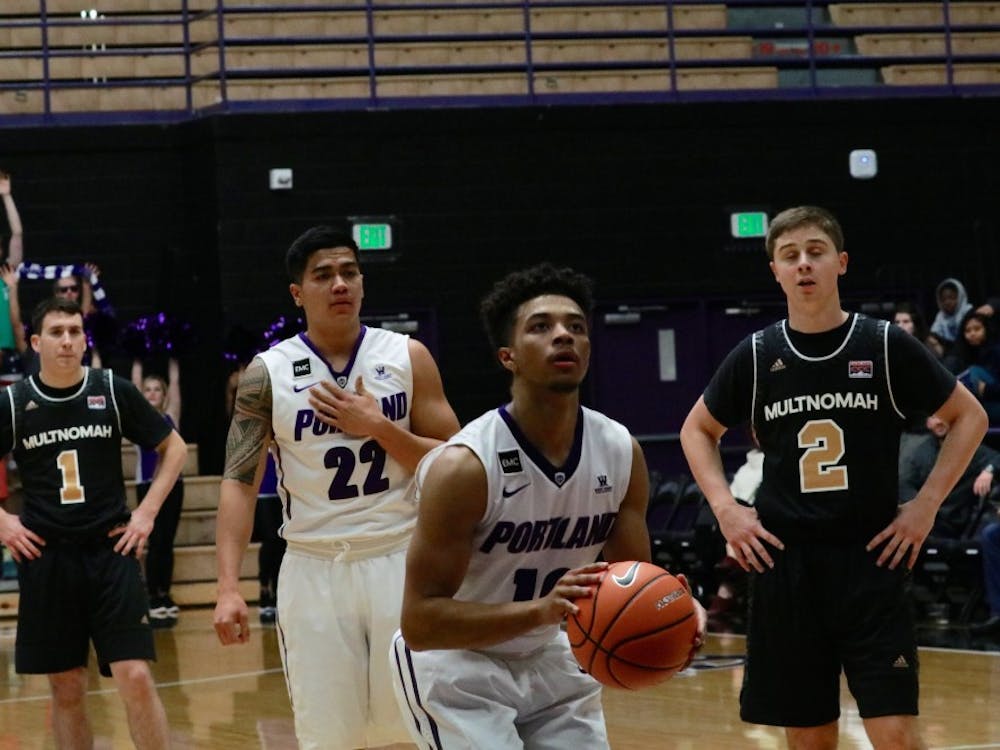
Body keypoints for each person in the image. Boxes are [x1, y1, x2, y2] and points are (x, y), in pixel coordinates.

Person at [680, 206, 987, 749]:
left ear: (840, 263)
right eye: (790, 256)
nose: (804, 265)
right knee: (810, 739)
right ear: (774, 270)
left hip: (871, 559)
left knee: (895, 735)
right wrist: (727, 509)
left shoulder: (884, 345)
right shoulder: (756, 355)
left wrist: (925, 505)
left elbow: (970, 417)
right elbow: (696, 431)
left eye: (815, 252)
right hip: (787, 566)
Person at [390, 263, 705, 748]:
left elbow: (631, 579)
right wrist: (540, 611)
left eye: (576, 327)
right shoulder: (465, 468)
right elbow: (420, 623)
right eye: (542, 327)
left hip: (555, 657)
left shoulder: (621, 452)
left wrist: (671, 615)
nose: (564, 336)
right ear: (508, 356)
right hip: (458, 664)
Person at [213, 225, 460, 750]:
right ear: (298, 294)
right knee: (330, 737)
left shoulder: (407, 356)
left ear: (363, 283)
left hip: (402, 559)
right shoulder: (267, 375)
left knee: (417, 729)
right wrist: (228, 586)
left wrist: (381, 428)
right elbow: (239, 482)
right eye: (323, 275)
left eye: (349, 272)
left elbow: (458, 465)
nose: (340, 284)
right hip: (314, 568)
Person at [0, 295, 187, 750]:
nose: (68, 341)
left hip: (110, 553)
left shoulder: (112, 389)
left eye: (75, 332)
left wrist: (145, 514)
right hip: (47, 558)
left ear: (85, 340)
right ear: (35, 341)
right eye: (58, 333)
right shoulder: (14, 401)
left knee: (136, 676)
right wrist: (3, 523)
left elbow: (175, 449)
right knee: (66, 686)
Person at [132, 356, 184, 626]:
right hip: (147, 486)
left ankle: (165, 594)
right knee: (154, 541)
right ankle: (152, 595)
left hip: (174, 486)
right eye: (147, 389)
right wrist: (136, 356)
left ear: (163, 395)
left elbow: (175, 385)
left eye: (157, 390)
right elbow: (134, 384)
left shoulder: (170, 416)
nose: (152, 393)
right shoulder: (138, 418)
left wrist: (172, 359)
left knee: (167, 542)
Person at [899, 414, 999, 539]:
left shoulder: (969, 447)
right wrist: (920, 506)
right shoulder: (921, 450)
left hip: (953, 519)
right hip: (925, 516)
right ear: (928, 423)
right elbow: (905, 483)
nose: (939, 421)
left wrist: (989, 470)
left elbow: (996, 458)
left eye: (943, 416)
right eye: (934, 418)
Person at [949, 310, 1000, 422]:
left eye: (977, 329)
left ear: (986, 329)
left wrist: (986, 389)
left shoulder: (997, 351)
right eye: (967, 331)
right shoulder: (965, 355)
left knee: (973, 371)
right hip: (982, 405)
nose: (972, 334)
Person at [930, 277, 973, 349]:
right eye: (943, 299)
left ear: (960, 297)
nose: (947, 302)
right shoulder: (941, 316)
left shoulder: (969, 311)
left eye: (951, 297)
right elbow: (934, 334)